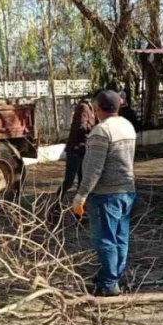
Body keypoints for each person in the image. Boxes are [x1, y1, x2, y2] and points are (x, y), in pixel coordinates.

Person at [70, 90, 137, 297]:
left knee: (105, 239)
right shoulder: (127, 126)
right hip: (127, 190)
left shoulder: (101, 131)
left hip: (106, 194)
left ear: (97, 108)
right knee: (120, 237)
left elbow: (93, 169)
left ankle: (108, 284)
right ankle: (113, 276)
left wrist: (80, 195)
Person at [58, 97, 97, 200]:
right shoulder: (83, 107)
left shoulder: (90, 108)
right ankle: (55, 203)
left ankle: (79, 207)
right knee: (69, 181)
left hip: (83, 150)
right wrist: (95, 129)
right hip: (75, 150)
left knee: (82, 180)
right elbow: (81, 126)